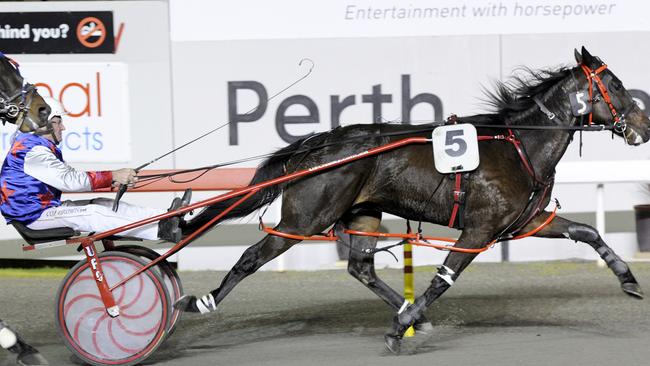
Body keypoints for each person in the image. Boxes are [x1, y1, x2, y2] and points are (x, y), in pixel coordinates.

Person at [0, 96, 189, 242]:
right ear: (46, 123)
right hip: (33, 218)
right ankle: (158, 230)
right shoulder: (33, 151)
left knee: (102, 203)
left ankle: (165, 217)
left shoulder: (37, 147)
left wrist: (113, 179)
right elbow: (72, 182)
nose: (63, 127)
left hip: (43, 210)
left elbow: (70, 178)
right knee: (92, 213)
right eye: (58, 121)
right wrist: (113, 175)